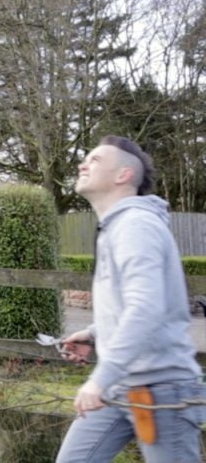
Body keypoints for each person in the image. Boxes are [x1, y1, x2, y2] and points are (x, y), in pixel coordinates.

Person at [56, 135, 205, 462]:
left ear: (123, 175)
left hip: (161, 390)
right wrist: (95, 333)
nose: (83, 164)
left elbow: (146, 310)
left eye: (95, 160)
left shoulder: (136, 225)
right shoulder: (115, 227)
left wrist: (99, 379)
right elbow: (132, 303)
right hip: (118, 389)